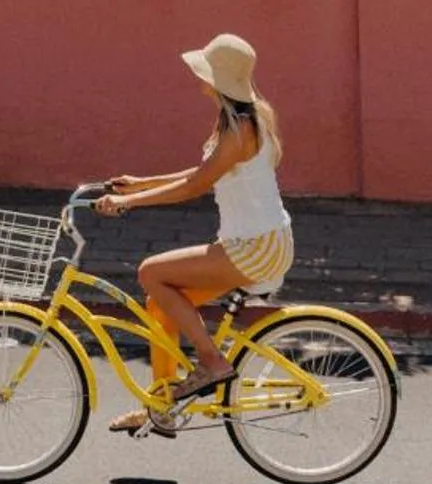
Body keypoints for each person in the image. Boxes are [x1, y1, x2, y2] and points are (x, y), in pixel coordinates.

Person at [95, 33, 293, 434]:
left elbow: (195, 187)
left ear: (219, 80)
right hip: (262, 241)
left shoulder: (239, 130)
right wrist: (140, 183)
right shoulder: (246, 118)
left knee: (151, 271)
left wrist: (129, 203)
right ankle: (160, 406)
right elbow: (203, 173)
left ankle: (212, 361)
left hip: (253, 248)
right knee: (159, 303)